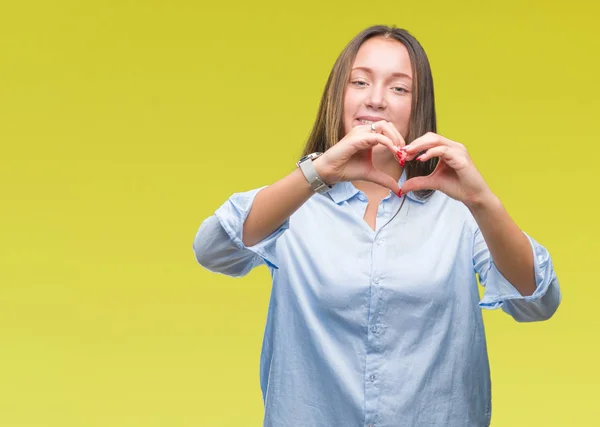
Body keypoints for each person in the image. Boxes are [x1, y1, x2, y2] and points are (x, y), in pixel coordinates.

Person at [192, 25, 561, 427]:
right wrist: (318, 172)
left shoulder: (457, 213)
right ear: (338, 94)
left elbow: (538, 301)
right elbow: (213, 250)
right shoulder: (295, 203)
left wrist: (482, 201)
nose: (376, 99)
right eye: (360, 81)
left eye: (399, 88)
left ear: (418, 107)